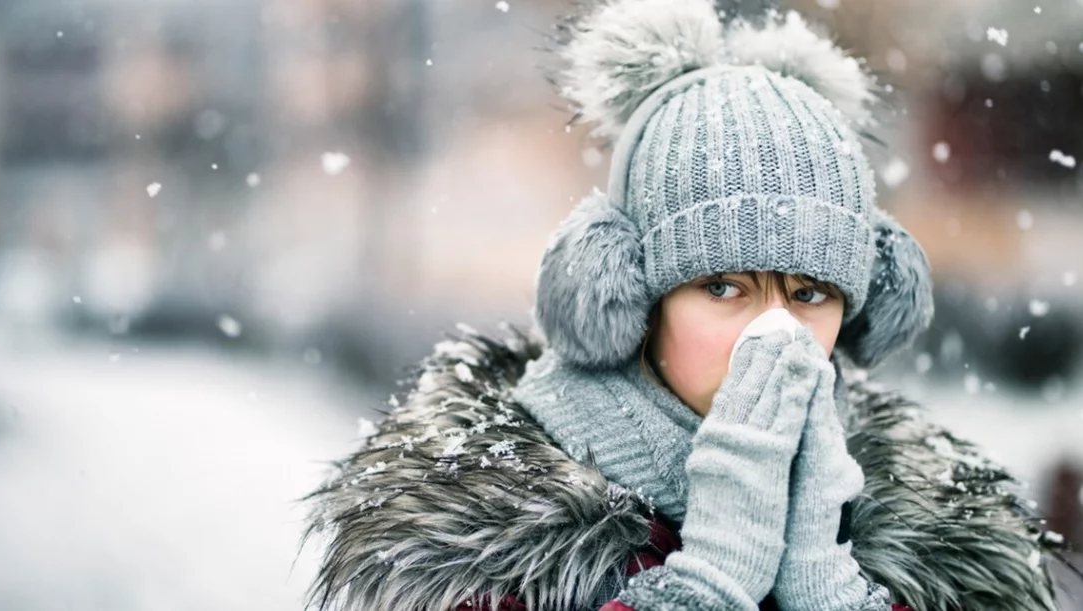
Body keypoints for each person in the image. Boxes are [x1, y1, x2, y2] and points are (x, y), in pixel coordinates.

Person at [302, 2, 1068, 610]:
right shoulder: (485, 536)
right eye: (722, 287)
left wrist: (829, 589)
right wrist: (709, 581)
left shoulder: (919, 534)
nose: (775, 329)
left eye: (809, 292)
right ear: (622, 291)